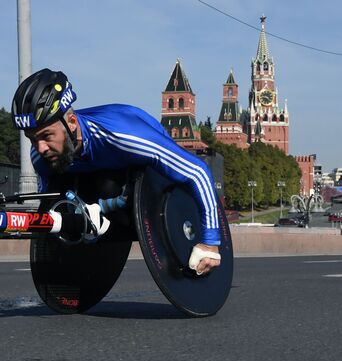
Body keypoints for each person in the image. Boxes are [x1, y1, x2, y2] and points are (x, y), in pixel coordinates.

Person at [11, 69, 221, 275]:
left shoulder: (124, 136)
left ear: (72, 123)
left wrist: (210, 243)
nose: (40, 148)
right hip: (100, 186)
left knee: (107, 185)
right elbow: (50, 208)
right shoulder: (42, 157)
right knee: (90, 189)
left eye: (47, 136)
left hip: (147, 176)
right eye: (32, 139)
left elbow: (198, 172)